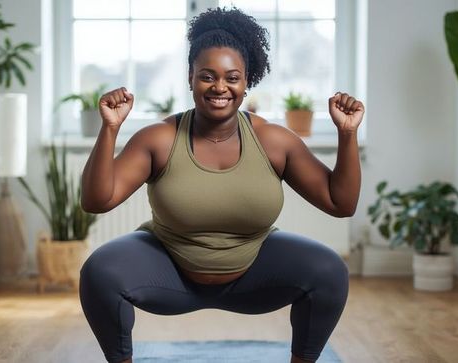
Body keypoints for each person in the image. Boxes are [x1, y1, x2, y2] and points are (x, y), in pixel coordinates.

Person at [79, 7, 363, 363]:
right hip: (169, 273)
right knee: (100, 272)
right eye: (207, 76)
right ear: (190, 77)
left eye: (232, 77)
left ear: (247, 82)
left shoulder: (274, 140)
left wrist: (347, 134)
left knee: (329, 271)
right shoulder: (159, 139)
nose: (220, 88)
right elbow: (96, 200)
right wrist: (110, 129)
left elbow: (341, 203)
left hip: (255, 275)